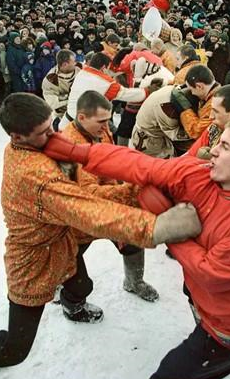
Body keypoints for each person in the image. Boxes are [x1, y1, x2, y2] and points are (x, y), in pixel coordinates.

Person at [0, 93, 200, 379]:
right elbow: (87, 210)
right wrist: (157, 227)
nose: (54, 135)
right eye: (44, 133)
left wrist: (133, 190)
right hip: (32, 261)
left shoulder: (37, 146)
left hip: (61, 241)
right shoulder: (36, 176)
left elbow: (84, 194)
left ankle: (73, 305)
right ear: (18, 137)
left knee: (82, 284)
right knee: (16, 349)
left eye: (52, 126)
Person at [45, 117, 230, 379]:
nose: (214, 150)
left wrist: (169, 225)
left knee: (167, 378)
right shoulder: (201, 173)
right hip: (208, 299)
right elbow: (141, 165)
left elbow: (212, 275)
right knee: (193, 295)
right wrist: (79, 153)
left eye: (225, 146)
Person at [62, 90, 159, 302]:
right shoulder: (73, 146)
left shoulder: (98, 129)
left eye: (108, 120)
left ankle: (134, 282)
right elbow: (89, 193)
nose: (107, 127)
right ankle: (71, 303)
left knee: (132, 238)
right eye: (102, 121)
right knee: (71, 263)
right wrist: (130, 192)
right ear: (81, 118)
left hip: (109, 198)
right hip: (79, 215)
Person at [60, 52, 154, 129]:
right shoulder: (105, 83)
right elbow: (127, 94)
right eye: (109, 68)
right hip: (81, 129)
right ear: (104, 68)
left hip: (66, 123)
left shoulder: (82, 72)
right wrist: (148, 90)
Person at [171, 64, 221, 140]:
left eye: (191, 90)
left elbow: (196, 133)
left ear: (199, 86)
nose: (192, 93)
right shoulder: (214, 94)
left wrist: (185, 109)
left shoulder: (214, 105)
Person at [42, 49, 80, 130]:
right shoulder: (51, 79)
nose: (76, 63)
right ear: (65, 64)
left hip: (81, 111)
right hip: (63, 115)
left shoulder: (79, 69)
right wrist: (72, 97)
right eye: (73, 61)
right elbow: (53, 102)